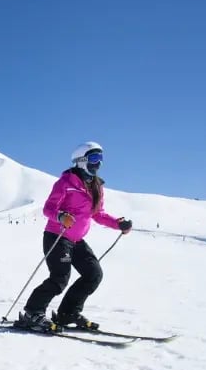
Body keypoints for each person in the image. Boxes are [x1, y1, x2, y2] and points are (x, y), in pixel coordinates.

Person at [14, 142, 132, 333]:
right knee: (60, 277)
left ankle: (68, 313)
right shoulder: (66, 183)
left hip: (77, 241)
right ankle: (32, 313)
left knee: (93, 274)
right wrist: (61, 216)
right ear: (81, 160)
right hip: (57, 236)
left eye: (100, 159)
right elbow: (48, 209)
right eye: (94, 159)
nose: (98, 164)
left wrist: (118, 224)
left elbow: (98, 214)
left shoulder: (97, 187)